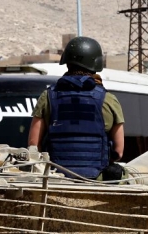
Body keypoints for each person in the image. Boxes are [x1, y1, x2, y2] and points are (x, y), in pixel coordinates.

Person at [27, 36, 125, 179]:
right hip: (96, 180)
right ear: (95, 64)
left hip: (55, 179)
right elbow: (119, 151)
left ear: (67, 63)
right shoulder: (108, 99)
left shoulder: (47, 97)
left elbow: (33, 145)